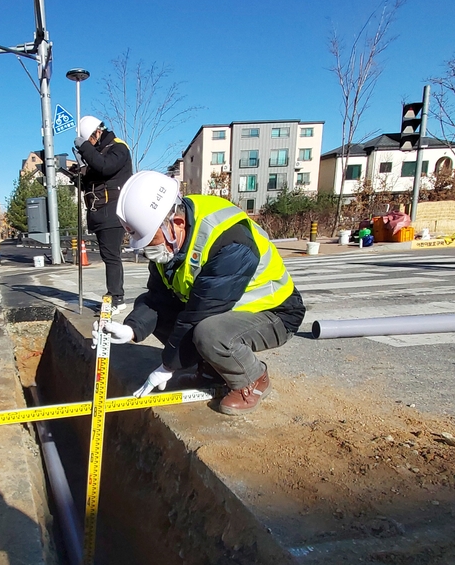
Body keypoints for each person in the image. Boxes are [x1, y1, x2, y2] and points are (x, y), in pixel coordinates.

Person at [95, 170, 305, 415]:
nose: (147, 252)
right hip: (223, 310)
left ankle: (253, 379)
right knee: (157, 309)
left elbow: (198, 314)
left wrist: (168, 366)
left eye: (150, 241)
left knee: (209, 334)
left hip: (275, 313)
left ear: (177, 224)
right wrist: (131, 328)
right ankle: (211, 371)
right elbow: (157, 298)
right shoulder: (173, 240)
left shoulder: (229, 241)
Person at [74, 115, 132, 314]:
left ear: (97, 132)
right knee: (108, 256)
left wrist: (85, 149)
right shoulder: (99, 152)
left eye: (89, 139)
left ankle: (117, 298)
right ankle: (115, 296)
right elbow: (94, 173)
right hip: (100, 213)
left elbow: (105, 166)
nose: (89, 144)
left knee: (111, 256)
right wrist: (79, 174)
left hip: (112, 212)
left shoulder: (118, 147)